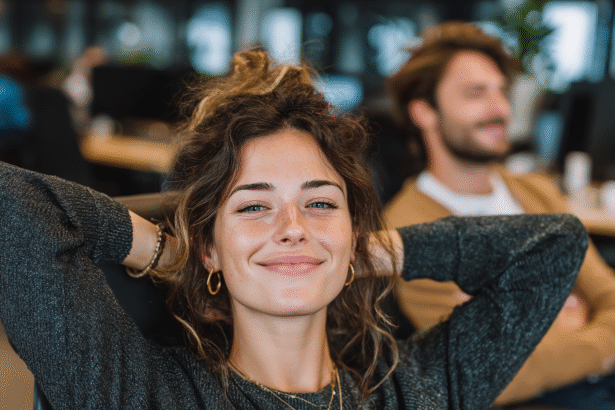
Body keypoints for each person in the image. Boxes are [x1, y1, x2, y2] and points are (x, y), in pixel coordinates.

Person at [0, 49, 587, 409]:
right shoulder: (141, 392)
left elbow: (555, 245)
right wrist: (166, 251)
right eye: (254, 207)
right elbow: (14, 205)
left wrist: (366, 253)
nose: (292, 228)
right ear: (211, 245)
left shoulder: (415, 390)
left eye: (321, 204)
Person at [384, 21, 615, 409]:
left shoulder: (535, 190)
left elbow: (607, 293)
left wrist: (552, 333)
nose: (500, 109)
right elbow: (480, 372)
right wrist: (591, 333)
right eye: (476, 94)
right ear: (424, 112)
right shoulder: (407, 230)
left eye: (502, 93)